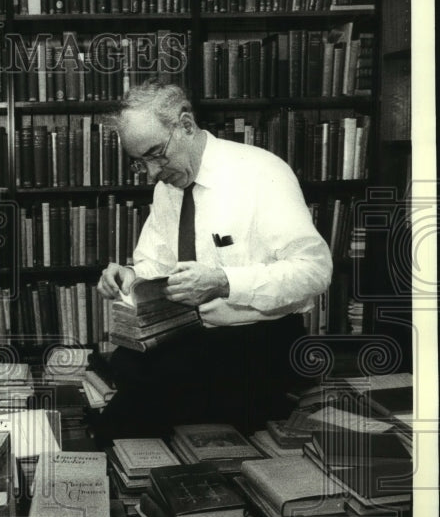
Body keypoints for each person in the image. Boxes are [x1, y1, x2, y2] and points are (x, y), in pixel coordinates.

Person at [92, 80, 333, 442]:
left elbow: (315, 271)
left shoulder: (260, 173)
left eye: (157, 153)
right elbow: (155, 264)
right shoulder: (168, 189)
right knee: (122, 371)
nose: (153, 173)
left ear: (186, 125)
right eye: (141, 161)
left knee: (130, 417)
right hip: (189, 337)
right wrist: (129, 274)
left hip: (255, 341)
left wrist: (224, 282)